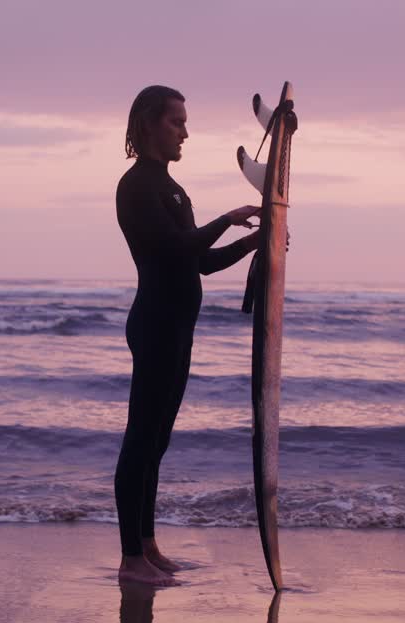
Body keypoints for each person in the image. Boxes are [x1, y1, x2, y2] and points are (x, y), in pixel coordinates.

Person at [114, 85, 261, 586]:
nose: (185, 131)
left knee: (158, 442)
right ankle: (130, 558)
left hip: (178, 326)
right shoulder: (136, 187)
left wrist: (254, 240)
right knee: (139, 440)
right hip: (155, 323)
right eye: (176, 122)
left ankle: (148, 545)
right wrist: (228, 218)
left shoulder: (173, 189)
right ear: (150, 124)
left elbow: (199, 263)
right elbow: (177, 249)